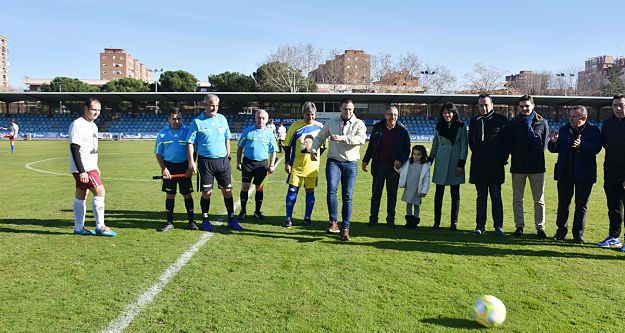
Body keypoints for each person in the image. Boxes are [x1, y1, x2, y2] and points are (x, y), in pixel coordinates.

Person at [311, 98, 367, 241]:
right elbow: (319, 137)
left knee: (347, 196)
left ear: (353, 110)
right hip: (334, 161)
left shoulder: (359, 123)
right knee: (331, 190)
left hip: (350, 163)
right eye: (344, 109)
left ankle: (345, 228)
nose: (347, 111)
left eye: (350, 109)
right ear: (340, 109)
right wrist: (313, 149)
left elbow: (361, 139)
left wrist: (343, 138)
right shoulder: (331, 122)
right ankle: (333, 222)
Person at [187, 94, 243, 232]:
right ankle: (205, 219)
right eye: (211, 105)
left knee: (227, 190)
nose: (214, 108)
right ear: (205, 105)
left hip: (223, 161)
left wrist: (228, 153)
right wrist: (191, 162)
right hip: (205, 162)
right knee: (207, 192)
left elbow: (227, 138)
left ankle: (231, 219)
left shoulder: (222, 119)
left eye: (216, 105)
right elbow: (190, 142)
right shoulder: (197, 122)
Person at [548, 105, 602, 244]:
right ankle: (561, 232)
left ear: (583, 118)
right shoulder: (564, 129)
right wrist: (553, 143)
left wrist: (581, 146)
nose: (570, 119)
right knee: (563, 204)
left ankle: (578, 235)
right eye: (570, 116)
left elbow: (597, 148)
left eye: (574, 117)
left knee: (581, 206)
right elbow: (555, 148)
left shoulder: (593, 130)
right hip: (565, 173)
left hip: (584, 174)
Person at [68, 98, 116, 236]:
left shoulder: (93, 125)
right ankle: (100, 226)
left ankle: (78, 228)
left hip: (90, 166)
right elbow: (75, 148)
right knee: (100, 191)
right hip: (84, 167)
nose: (96, 113)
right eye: (94, 109)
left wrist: (96, 166)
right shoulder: (78, 124)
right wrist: (82, 171)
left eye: (99, 110)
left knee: (82, 194)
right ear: (86, 109)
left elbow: (91, 148)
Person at [508, 94, 549, 238]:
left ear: (533, 105)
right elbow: (510, 144)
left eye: (527, 106)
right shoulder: (513, 123)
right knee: (517, 199)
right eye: (522, 106)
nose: (524, 108)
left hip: (536, 167)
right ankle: (519, 226)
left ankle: (540, 227)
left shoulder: (542, 122)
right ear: (518, 107)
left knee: (539, 199)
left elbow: (542, 146)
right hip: (518, 166)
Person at [362, 106, 411, 227]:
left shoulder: (403, 131)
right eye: (390, 114)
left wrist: (400, 160)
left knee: (392, 195)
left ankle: (390, 219)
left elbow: (407, 150)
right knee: (376, 194)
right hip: (378, 166)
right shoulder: (378, 128)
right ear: (385, 115)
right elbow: (371, 146)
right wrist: (365, 160)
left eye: (395, 115)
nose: (392, 117)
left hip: (393, 168)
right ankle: (373, 219)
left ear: (397, 116)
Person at [468, 94, 509, 236]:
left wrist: (500, 159)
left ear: (492, 105)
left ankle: (498, 226)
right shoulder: (475, 121)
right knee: (481, 196)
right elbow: (471, 143)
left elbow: (506, 144)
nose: (483, 108)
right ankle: (480, 226)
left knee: (496, 195)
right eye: (480, 105)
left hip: (495, 166)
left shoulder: (501, 121)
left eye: (486, 104)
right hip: (479, 166)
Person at [283, 102, 324, 228]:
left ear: (315, 114)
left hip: (312, 168)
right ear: (303, 114)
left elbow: (323, 146)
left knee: (310, 192)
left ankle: (307, 218)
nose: (310, 117)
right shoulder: (295, 126)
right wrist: (287, 162)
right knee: (292, 191)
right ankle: (288, 218)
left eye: (312, 115)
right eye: (307, 115)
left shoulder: (320, 127)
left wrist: (316, 157)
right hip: (296, 166)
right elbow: (287, 145)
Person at [154, 108, 196, 232]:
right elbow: (158, 153)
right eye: (174, 119)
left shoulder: (188, 131)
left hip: (184, 166)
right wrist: (164, 169)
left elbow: (194, 150)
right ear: (169, 119)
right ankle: (169, 222)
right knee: (170, 195)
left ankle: (191, 221)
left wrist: (190, 166)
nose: (176, 121)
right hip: (169, 167)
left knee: (187, 194)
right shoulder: (162, 133)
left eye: (179, 118)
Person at [428, 102, 468, 231]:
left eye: (449, 112)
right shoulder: (439, 127)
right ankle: (436, 222)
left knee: (455, 193)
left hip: (455, 162)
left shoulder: (461, 127)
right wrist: (429, 161)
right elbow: (435, 145)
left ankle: (453, 223)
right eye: (444, 112)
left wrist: (461, 164)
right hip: (441, 162)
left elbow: (464, 147)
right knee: (439, 193)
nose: (447, 115)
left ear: (454, 113)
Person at [236, 109, 278, 220]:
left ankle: (257, 212)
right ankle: (243, 211)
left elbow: (273, 151)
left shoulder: (269, 134)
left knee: (259, 188)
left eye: (263, 118)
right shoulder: (247, 131)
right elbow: (240, 147)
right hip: (248, 163)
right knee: (245, 187)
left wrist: (272, 165)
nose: (261, 120)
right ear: (255, 118)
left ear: (267, 120)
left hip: (262, 165)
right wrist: (238, 162)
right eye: (259, 118)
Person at [597, 94, 625, 250]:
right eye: (615, 105)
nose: (618, 108)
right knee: (613, 208)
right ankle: (614, 237)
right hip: (610, 173)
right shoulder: (608, 124)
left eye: (621, 105)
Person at [398, 145, 430, 229]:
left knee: (416, 205)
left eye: (418, 154)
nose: (415, 156)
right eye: (414, 154)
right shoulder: (408, 162)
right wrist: (397, 169)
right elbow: (403, 172)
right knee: (408, 204)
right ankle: (409, 221)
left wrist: (424, 190)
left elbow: (426, 179)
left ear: (422, 155)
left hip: (417, 189)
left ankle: (415, 221)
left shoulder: (425, 166)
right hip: (409, 187)